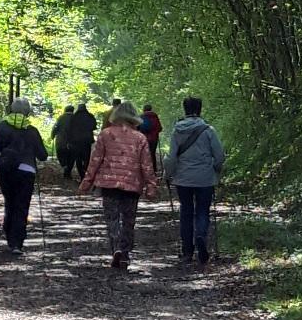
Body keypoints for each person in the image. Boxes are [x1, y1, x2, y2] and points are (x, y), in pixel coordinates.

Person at [81, 100, 158, 269]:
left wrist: (87, 182)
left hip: (109, 183)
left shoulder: (105, 134)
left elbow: (95, 160)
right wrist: (151, 185)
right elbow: (146, 164)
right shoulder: (140, 138)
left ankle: (116, 247)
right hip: (132, 183)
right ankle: (125, 254)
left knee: (112, 219)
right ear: (134, 117)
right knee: (129, 220)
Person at [164, 96, 225, 268]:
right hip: (205, 178)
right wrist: (216, 169)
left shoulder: (177, 130)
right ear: (200, 109)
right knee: (203, 211)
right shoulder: (208, 130)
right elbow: (219, 156)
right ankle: (201, 236)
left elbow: (171, 158)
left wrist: (167, 175)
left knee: (186, 212)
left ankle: (187, 251)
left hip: (183, 179)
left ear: (185, 109)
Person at [0, 99, 48, 256]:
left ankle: (9, 234)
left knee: (10, 202)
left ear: (11, 110)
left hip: (6, 170)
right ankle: (17, 243)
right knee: (22, 206)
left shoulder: (2, 127)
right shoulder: (32, 130)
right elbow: (43, 155)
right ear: (27, 112)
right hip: (27, 171)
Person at [61, 102, 96, 180]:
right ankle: (85, 174)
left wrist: (68, 140)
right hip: (86, 141)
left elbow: (69, 129)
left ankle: (80, 174)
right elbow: (94, 126)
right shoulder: (90, 116)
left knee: (77, 158)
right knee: (86, 158)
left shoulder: (74, 117)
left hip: (75, 142)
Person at [50, 105, 75, 176]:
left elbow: (55, 127)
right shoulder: (76, 118)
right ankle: (68, 170)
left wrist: (52, 135)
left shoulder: (61, 118)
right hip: (73, 142)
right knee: (71, 157)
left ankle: (64, 166)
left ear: (65, 110)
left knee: (61, 155)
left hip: (61, 141)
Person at [140, 104, 163, 169]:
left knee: (144, 154)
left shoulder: (141, 116)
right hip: (154, 139)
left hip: (144, 139)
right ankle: (154, 169)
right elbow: (160, 128)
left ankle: (145, 169)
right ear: (151, 109)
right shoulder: (155, 116)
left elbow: (137, 128)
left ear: (144, 109)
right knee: (152, 154)